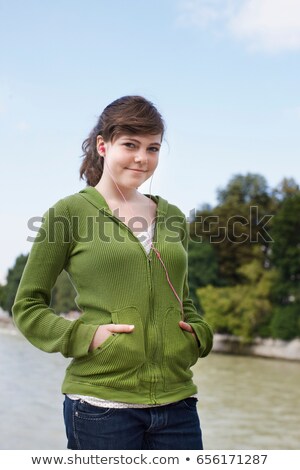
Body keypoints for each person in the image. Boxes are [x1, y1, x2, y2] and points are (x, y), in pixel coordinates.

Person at [12, 95, 213, 450]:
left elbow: (182, 298)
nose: (142, 158)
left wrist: (198, 336)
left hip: (178, 405)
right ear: (103, 146)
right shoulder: (68, 213)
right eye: (130, 145)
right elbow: (27, 305)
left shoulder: (173, 217)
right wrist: (85, 337)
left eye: (153, 148)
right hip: (101, 409)